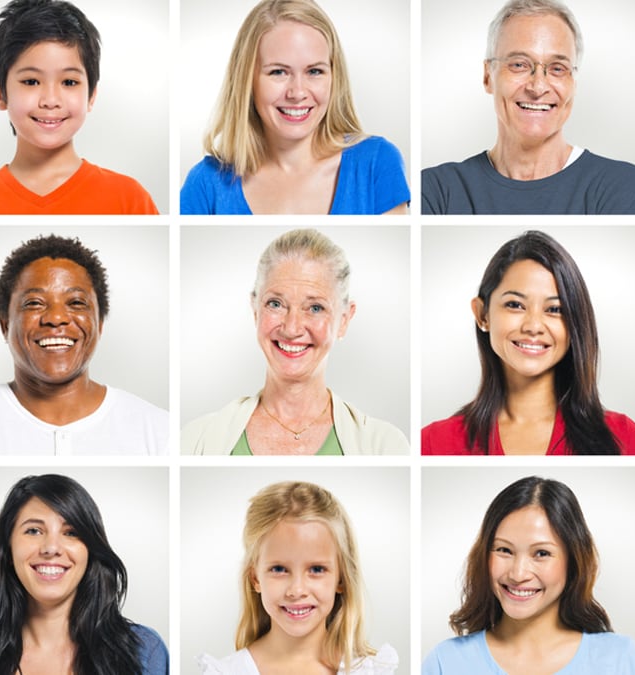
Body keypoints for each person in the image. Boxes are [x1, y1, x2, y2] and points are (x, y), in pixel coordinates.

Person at [0, 235, 168, 455]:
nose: (56, 318)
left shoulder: (159, 433)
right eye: (34, 303)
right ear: (5, 324)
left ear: (99, 324)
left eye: (76, 302)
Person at [422, 231, 635, 455]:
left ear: (575, 323)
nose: (533, 326)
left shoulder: (625, 440)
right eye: (515, 305)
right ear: (482, 314)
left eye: (554, 309)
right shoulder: (433, 444)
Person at [183, 228, 407, 455]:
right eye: (276, 304)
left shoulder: (386, 446)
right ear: (255, 310)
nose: (291, 328)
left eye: (315, 308)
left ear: (344, 319)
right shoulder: (193, 441)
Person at [420, 0, 635, 215]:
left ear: (573, 83)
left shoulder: (623, 187)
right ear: (487, 77)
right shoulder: (437, 191)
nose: (538, 87)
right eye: (519, 64)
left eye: (558, 68)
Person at [180, 0, 409, 215]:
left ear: (333, 76)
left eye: (314, 71)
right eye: (278, 72)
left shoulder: (376, 163)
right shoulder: (205, 184)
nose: (298, 93)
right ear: (247, 80)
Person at [0, 474, 167, 674]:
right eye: (33, 530)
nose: (51, 548)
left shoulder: (144, 651)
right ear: (8, 548)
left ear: (90, 549)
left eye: (71, 532)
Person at [0, 0, 157, 215]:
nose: (51, 100)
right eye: (31, 81)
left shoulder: (129, 198)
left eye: (69, 82)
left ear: (91, 95)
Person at [422, 476, 635, 673]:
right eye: (504, 550)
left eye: (541, 553)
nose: (518, 573)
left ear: (573, 561)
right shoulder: (445, 662)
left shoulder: (622, 659)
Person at [198, 481, 397, 674]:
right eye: (279, 569)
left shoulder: (371, 670)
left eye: (317, 569)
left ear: (341, 579)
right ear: (255, 579)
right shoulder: (226, 671)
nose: (297, 590)